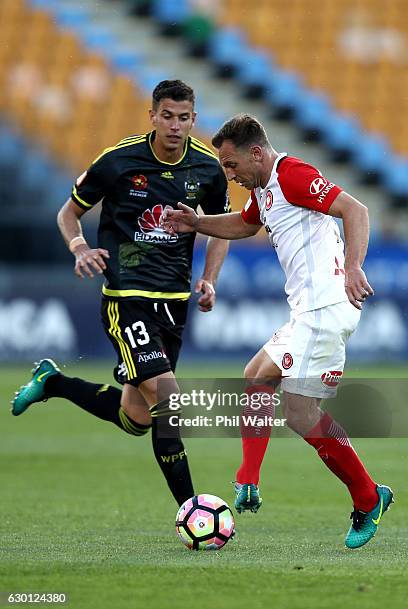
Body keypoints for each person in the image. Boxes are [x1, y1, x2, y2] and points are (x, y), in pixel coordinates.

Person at [162, 113, 393, 548]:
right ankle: (247, 478)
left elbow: (355, 209)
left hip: (326, 309)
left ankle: (368, 497)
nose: (229, 175)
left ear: (256, 153)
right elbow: (244, 225)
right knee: (256, 375)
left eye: (231, 166)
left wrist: (354, 267)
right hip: (306, 312)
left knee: (300, 413)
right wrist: (197, 223)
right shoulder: (265, 191)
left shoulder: (292, 175)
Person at [12, 80, 230, 507]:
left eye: (183, 118)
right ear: (152, 115)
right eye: (166, 115)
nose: (174, 125)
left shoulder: (207, 170)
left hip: (174, 303)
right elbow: (68, 213)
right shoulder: (117, 160)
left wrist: (210, 279)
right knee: (168, 400)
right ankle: (193, 510)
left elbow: (220, 226)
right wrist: (79, 248)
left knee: (136, 418)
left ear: (194, 120)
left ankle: (54, 382)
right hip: (126, 296)